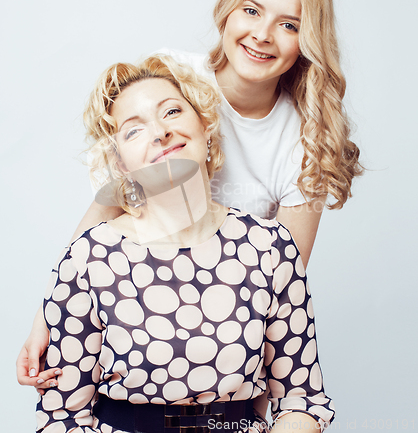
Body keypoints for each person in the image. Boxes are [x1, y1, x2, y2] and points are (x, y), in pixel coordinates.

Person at [17, 0, 361, 393]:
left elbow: (277, 291)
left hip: (227, 334)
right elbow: (107, 210)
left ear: (306, 41)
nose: (262, 35)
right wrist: (51, 312)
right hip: (135, 316)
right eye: (251, 11)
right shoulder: (171, 81)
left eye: (289, 25)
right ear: (227, 10)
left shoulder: (306, 144)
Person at [35, 54, 335, 433]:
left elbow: (303, 403)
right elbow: (61, 419)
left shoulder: (271, 249)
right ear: (121, 165)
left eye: (172, 111)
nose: (159, 132)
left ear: (206, 126)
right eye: (133, 130)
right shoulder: (88, 259)